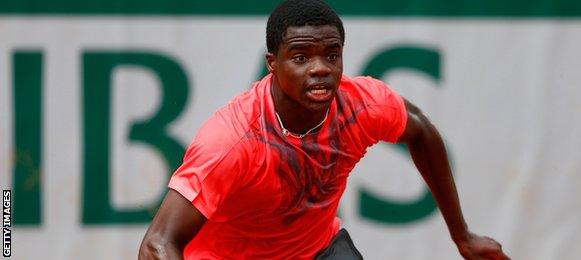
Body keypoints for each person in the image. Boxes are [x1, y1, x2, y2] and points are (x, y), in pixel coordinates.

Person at [139, 0, 510, 259]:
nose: (320, 68)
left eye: (331, 55)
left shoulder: (363, 105)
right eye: (301, 57)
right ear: (273, 62)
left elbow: (422, 132)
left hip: (319, 251)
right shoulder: (233, 140)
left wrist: (462, 235)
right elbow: (158, 243)